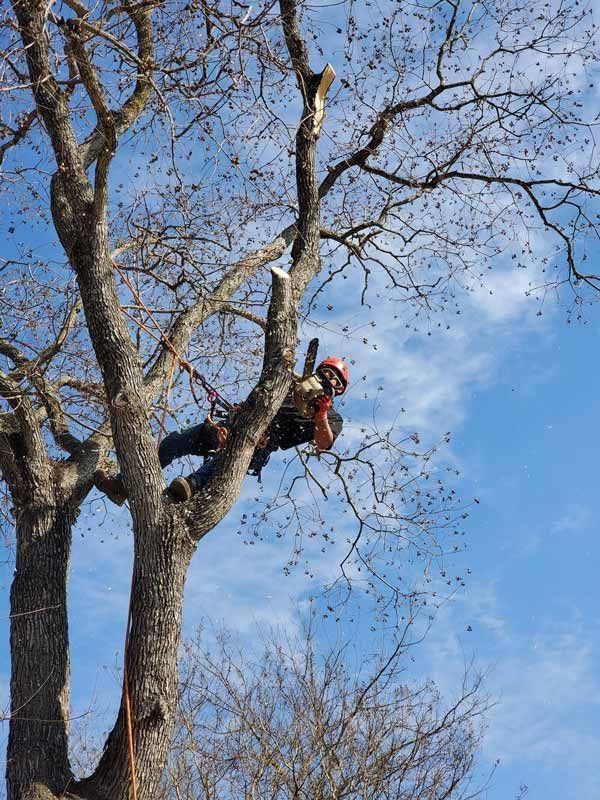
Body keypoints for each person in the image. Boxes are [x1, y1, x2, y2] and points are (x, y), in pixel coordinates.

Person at [97, 357, 348, 505]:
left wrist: (321, 414)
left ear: (339, 389)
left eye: (335, 378)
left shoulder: (331, 416)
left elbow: (324, 443)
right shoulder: (288, 385)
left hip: (259, 445)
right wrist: (240, 413)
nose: (329, 378)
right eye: (327, 372)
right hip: (235, 424)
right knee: (174, 442)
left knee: (225, 459)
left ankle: (188, 488)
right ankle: (122, 485)